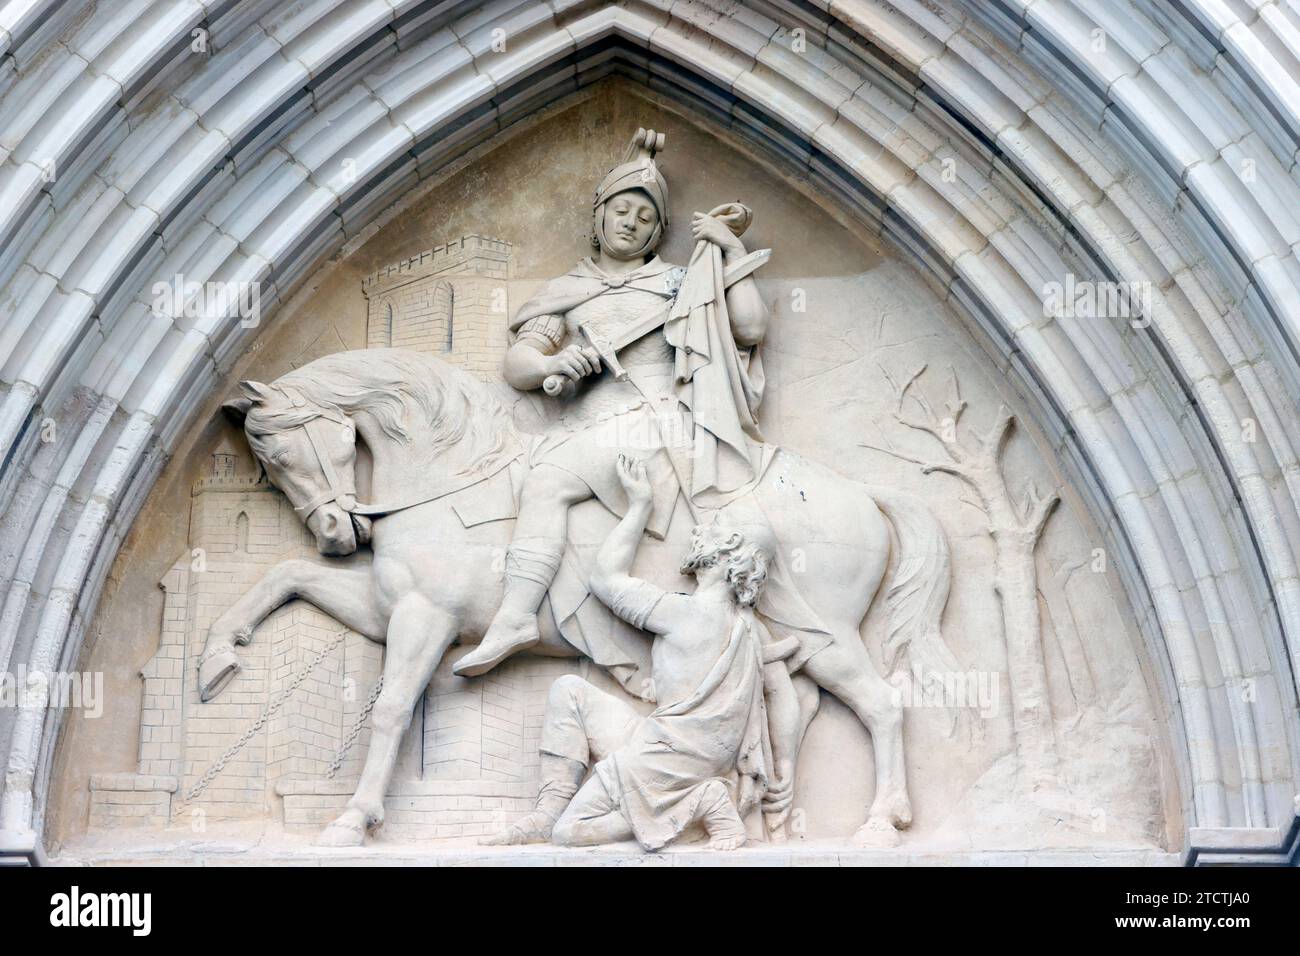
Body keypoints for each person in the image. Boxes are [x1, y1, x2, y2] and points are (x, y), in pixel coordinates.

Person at [453, 127, 774, 679]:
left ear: (659, 233)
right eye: (622, 210)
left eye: (646, 218)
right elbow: (520, 361)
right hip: (586, 427)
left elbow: (748, 329)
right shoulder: (568, 289)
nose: (632, 222)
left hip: (656, 422)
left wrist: (729, 250)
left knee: (548, 479)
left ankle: (515, 617)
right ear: (598, 218)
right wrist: (555, 365)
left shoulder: (679, 284)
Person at [483, 455, 779, 850]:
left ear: (728, 548)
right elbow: (780, 695)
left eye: (715, 526)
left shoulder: (686, 613)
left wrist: (639, 506)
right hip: (673, 743)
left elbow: (605, 580)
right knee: (569, 690)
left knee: (569, 833)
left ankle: (695, 805)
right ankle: (548, 809)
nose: (701, 529)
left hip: (663, 761)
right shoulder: (748, 627)